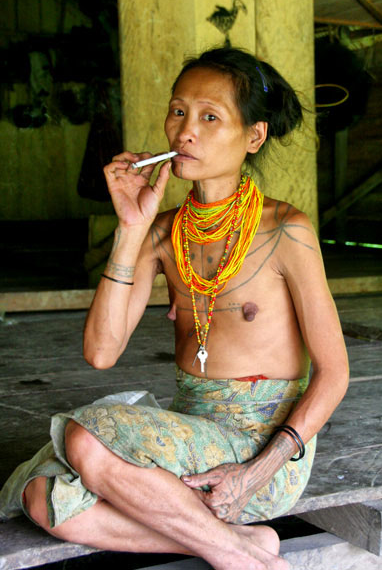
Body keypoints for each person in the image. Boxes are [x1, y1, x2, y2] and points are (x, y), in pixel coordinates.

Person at [0, 47, 349, 570]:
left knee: (84, 442)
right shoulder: (163, 233)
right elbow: (101, 352)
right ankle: (244, 548)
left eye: (211, 117)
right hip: (187, 437)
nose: (186, 131)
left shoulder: (285, 231)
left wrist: (255, 472)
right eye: (179, 111)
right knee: (42, 498)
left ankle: (240, 557)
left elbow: (335, 374)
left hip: (263, 451)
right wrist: (131, 230)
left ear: (253, 136)